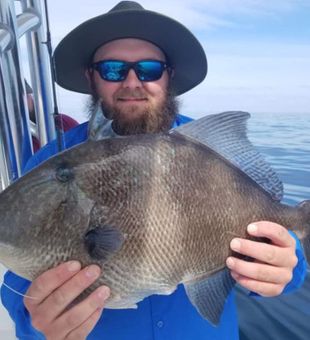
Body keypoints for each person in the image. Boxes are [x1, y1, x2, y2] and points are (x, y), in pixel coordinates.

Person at [1, 2, 306, 339]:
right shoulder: (52, 160)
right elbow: (17, 285)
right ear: (92, 77)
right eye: (113, 69)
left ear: (168, 75)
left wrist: (285, 270)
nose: (132, 82)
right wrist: (36, 323)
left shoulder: (212, 151)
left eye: (148, 69)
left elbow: (280, 253)